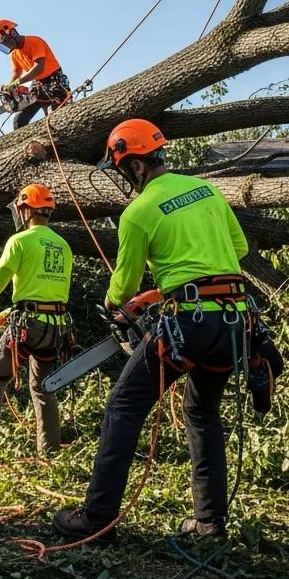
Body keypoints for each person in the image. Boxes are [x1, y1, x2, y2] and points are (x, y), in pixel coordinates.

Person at [53, 119, 249, 542]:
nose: (125, 177)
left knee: (124, 406)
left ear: (137, 166)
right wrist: (160, 294)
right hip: (233, 321)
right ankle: (210, 521)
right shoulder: (208, 190)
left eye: (124, 169)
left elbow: (121, 288)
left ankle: (97, 518)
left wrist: (117, 304)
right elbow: (237, 251)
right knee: (201, 413)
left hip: (189, 326)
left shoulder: (138, 213)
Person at [0, 183, 73, 466]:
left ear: (28, 210)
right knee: (43, 387)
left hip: (27, 326)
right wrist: (10, 311)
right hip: (55, 327)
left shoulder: (19, 241)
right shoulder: (63, 245)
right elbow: (47, 293)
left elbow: (0, 276)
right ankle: (50, 451)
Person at [0, 20, 70, 129]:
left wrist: (17, 83)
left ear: (13, 33)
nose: (7, 46)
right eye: (3, 45)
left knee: (54, 116)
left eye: (6, 42)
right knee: (19, 120)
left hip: (54, 81)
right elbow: (16, 73)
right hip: (38, 85)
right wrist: (8, 87)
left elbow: (38, 68)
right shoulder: (14, 54)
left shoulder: (34, 41)